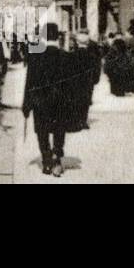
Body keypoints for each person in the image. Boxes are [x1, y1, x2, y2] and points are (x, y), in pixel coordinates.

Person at [22, 22, 79, 177]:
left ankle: (46, 161)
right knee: (59, 129)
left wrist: (26, 105)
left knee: (42, 131)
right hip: (60, 101)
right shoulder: (67, 57)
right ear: (58, 37)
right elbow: (73, 84)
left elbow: (30, 82)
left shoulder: (35, 56)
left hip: (41, 102)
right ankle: (57, 159)